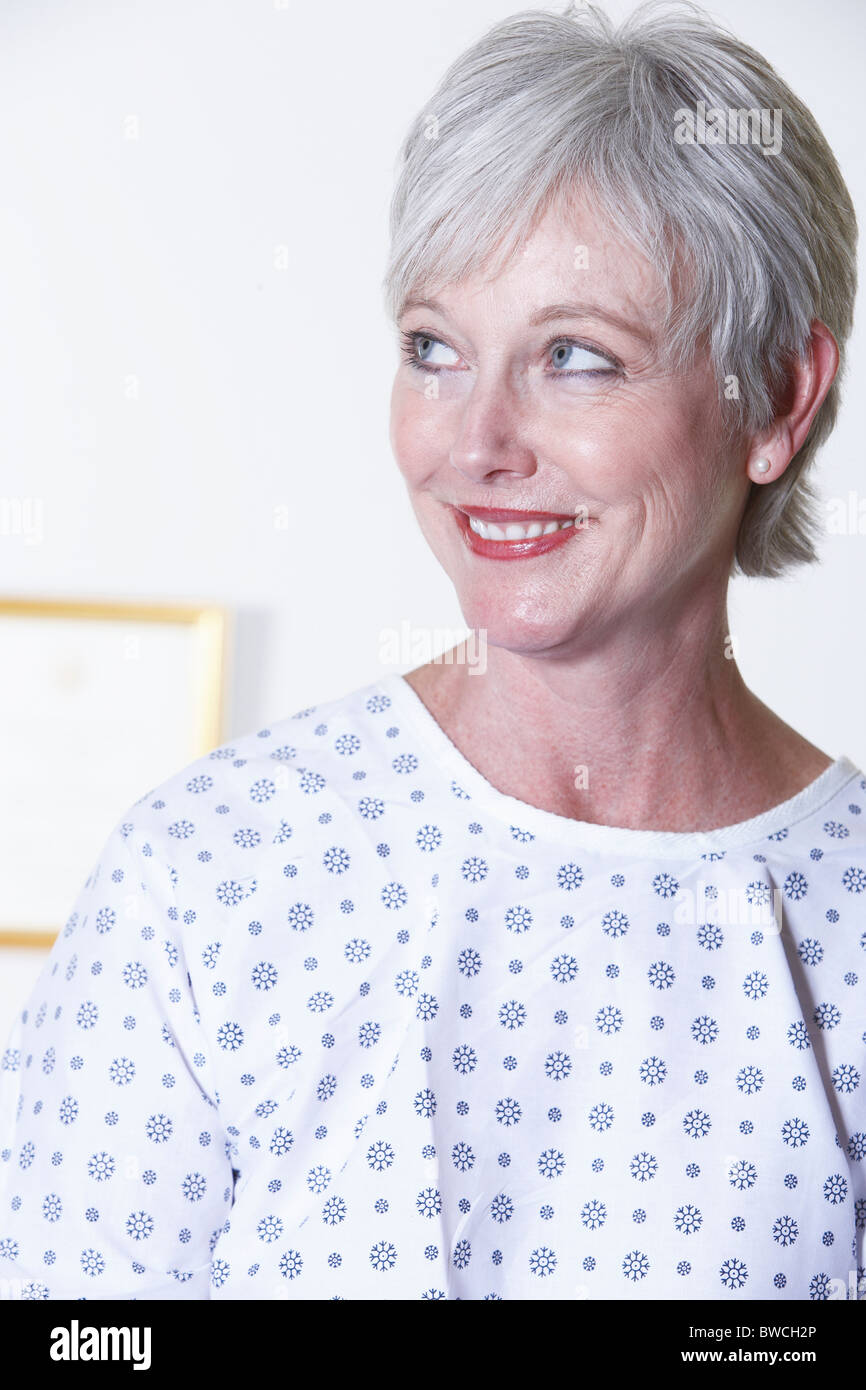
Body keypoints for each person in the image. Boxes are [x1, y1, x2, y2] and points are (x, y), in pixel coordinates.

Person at [1, 0, 863, 1301]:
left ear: (776, 398)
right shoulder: (212, 876)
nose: (474, 443)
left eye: (574, 357)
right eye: (433, 350)